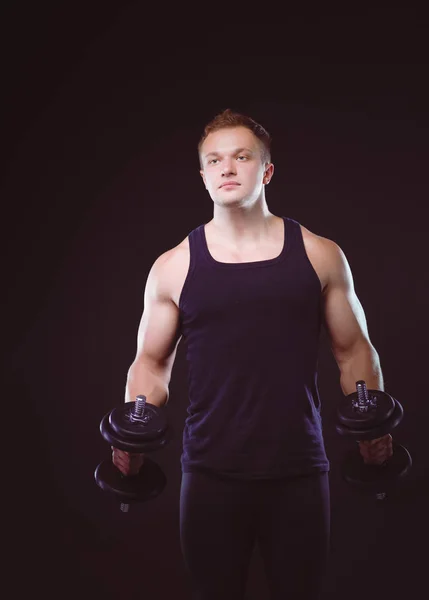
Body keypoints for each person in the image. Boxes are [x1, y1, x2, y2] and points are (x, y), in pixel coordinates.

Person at [112, 109, 393, 599]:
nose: (227, 168)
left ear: (266, 171)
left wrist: (373, 430)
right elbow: (151, 365)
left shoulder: (319, 254)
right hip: (209, 475)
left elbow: (354, 353)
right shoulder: (174, 266)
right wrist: (132, 437)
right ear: (202, 176)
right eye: (214, 160)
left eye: (241, 157)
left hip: (299, 471)